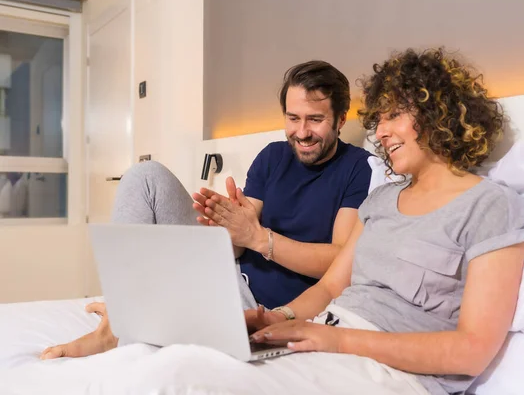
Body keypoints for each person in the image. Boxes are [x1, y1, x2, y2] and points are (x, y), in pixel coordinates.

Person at [245, 48, 524, 395]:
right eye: (378, 120)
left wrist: (339, 340)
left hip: (389, 373)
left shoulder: (490, 205)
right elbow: (330, 288)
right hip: (324, 342)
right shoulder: (380, 199)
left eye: (394, 115)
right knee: (187, 360)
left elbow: (471, 351)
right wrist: (281, 319)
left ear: (437, 113)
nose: (380, 132)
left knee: (184, 375)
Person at [40, 60, 373, 360]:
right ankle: (118, 321)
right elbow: (239, 242)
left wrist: (262, 240)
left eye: (315, 120)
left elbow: (339, 262)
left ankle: (129, 318)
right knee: (145, 176)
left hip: (263, 307)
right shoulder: (273, 155)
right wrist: (226, 226)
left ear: (342, 118)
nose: (301, 132)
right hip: (224, 274)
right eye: (293, 118)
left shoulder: (358, 168)